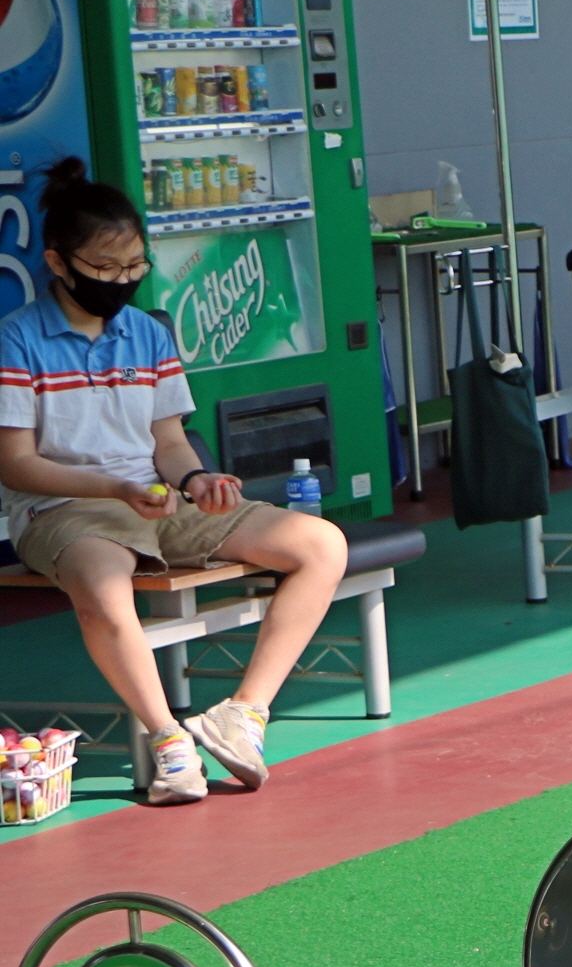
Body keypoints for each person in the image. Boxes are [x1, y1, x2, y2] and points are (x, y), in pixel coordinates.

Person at [0, 160, 349, 804]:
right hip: (63, 510)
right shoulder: (16, 340)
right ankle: (169, 741)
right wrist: (114, 489)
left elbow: (167, 442)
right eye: (105, 268)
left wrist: (198, 477)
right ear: (57, 262)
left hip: (157, 501)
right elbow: (15, 464)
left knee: (321, 544)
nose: (122, 280)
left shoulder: (146, 334)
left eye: (135, 265)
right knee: (106, 588)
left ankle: (242, 714)